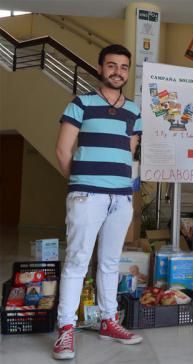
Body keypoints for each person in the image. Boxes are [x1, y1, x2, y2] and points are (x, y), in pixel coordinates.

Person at [53, 44, 143, 360]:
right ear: (100, 67)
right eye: (111, 65)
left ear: (127, 71)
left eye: (123, 67)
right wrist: (80, 184)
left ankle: (108, 321)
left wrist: (117, 186)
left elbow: (128, 152)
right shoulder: (80, 104)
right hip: (87, 195)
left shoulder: (134, 111)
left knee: (109, 263)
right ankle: (65, 331)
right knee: (77, 261)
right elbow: (63, 151)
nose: (117, 71)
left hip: (120, 198)